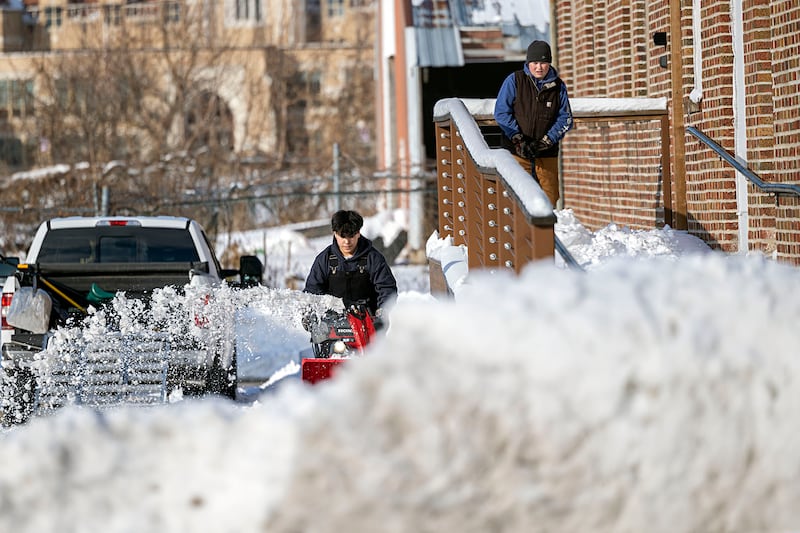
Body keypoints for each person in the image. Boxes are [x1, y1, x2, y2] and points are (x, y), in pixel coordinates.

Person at [494, 39, 573, 207]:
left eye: (543, 63)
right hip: (517, 151)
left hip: (546, 152)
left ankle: (546, 233)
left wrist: (547, 140)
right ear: (528, 63)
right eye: (535, 62)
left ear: (549, 64)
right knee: (516, 196)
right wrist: (517, 138)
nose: (539, 67)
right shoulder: (514, 80)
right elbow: (501, 112)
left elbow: (565, 118)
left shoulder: (558, 86)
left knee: (550, 197)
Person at [304, 210, 398, 320]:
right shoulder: (325, 259)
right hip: (332, 324)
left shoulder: (373, 258)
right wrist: (310, 314)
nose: (347, 242)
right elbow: (312, 291)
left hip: (367, 323)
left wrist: (382, 312)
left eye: (351, 236)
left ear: (358, 233)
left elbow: (387, 289)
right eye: (342, 236)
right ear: (335, 233)